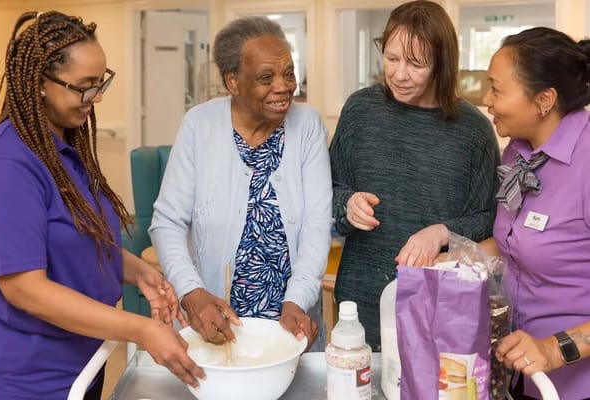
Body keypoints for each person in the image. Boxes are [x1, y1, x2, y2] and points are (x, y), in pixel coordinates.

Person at [0, 11, 204, 400]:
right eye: (86, 86)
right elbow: (25, 290)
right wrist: (141, 328)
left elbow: (78, 240)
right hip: (35, 377)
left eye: (101, 80)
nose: (98, 96)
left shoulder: (64, 147)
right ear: (40, 83)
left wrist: (139, 271)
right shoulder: (9, 163)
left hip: (85, 360)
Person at [149, 16, 332, 351]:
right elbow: (167, 222)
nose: (284, 85)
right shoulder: (199, 125)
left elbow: (317, 224)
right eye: (266, 77)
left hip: (291, 319)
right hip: (215, 317)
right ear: (233, 81)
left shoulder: (307, 125)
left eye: (289, 72)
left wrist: (297, 301)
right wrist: (192, 292)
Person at [329, 0, 500, 349]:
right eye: (391, 59)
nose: (399, 74)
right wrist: (347, 203)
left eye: (416, 63)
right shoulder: (360, 110)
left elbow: (490, 219)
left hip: (442, 305)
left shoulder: (473, 130)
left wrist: (442, 232)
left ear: (441, 63)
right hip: (361, 303)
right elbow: (328, 191)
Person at [481, 27, 590, 400]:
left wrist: (554, 349)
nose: (486, 100)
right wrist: (450, 255)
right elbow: (513, 244)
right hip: (522, 373)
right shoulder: (518, 152)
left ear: (544, 100)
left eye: (496, 89)